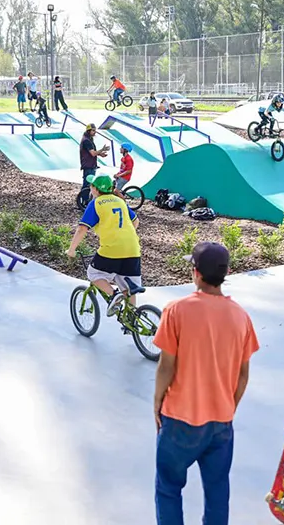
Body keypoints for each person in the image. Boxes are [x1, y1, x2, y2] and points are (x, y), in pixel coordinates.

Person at [153, 242, 260, 525]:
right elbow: (243, 374)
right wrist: (229, 407)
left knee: (168, 488)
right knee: (217, 490)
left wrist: (157, 401)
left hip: (179, 420)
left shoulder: (176, 310)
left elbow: (166, 366)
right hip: (220, 422)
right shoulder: (241, 317)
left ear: (196, 273)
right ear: (226, 273)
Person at [66, 174, 141, 316]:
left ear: (95, 189)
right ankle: (132, 319)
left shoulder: (96, 203)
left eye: (91, 186)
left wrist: (71, 250)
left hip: (112, 249)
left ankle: (114, 295)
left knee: (93, 274)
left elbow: (82, 229)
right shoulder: (120, 201)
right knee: (128, 286)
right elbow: (136, 221)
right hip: (133, 248)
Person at [78, 123, 110, 206]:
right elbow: (92, 153)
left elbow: (91, 153)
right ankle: (83, 202)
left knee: (89, 184)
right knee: (87, 184)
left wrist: (100, 154)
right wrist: (102, 149)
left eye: (95, 130)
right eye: (93, 130)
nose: (95, 132)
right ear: (88, 131)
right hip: (88, 165)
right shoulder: (86, 141)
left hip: (91, 165)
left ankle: (84, 202)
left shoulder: (89, 139)